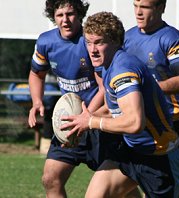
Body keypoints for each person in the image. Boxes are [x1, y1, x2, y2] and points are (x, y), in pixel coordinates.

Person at [61, 11, 179, 198]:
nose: (92, 49)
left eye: (99, 42)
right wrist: (83, 120)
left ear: (117, 42)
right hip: (130, 151)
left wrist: (92, 122)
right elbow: (117, 110)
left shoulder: (123, 71)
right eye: (88, 42)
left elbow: (134, 123)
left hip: (160, 157)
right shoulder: (108, 66)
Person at [27, 0, 105, 197]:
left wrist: (87, 116)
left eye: (70, 14)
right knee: (51, 179)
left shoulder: (90, 41)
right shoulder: (46, 42)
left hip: (99, 122)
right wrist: (37, 101)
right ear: (53, 16)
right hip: (69, 122)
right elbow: (37, 74)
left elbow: (105, 87)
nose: (65, 20)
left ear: (79, 13)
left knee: (117, 187)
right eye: (60, 15)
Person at [123, 0, 179, 197]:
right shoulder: (126, 38)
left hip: (173, 123)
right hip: (140, 124)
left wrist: (148, 90)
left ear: (161, 8)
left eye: (145, 7)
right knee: (125, 186)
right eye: (136, 5)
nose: (139, 12)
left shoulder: (172, 38)